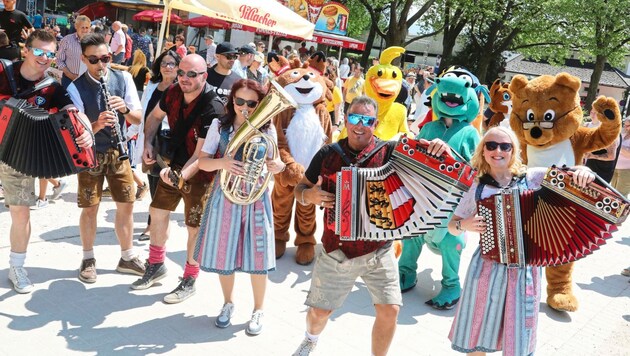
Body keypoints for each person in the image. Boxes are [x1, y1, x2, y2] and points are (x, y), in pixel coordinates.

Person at [291, 96, 448, 356]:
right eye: (354, 118)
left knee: (390, 309)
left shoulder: (389, 153)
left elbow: (430, 159)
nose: (360, 125)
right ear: (346, 119)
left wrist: (439, 146)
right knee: (319, 312)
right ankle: (310, 339)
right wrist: (309, 196)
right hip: (336, 248)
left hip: (380, 248)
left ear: (375, 124)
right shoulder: (328, 154)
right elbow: (300, 188)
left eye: (367, 120)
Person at [447, 126, 595, 355]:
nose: (498, 151)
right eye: (491, 145)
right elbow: (452, 226)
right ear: (483, 150)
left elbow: (569, 174)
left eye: (505, 146)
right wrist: (463, 225)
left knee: (519, 335)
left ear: (513, 151)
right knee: (477, 331)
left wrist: (583, 170)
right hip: (486, 267)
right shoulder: (476, 186)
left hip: (524, 270)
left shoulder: (531, 177)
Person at [0, 30, 93, 293]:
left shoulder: (53, 88)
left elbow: (74, 112)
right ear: (25, 50)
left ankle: (16, 267)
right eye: (39, 52)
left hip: (16, 156)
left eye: (50, 54)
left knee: (20, 212)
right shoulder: (3, 72)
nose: (44, 58)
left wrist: (85, 130)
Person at [194, 79, 285, 335]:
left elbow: (275, 162)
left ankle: (258, 309)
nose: (244, 107)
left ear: (260, 104)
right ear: (231, 101)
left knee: (258, 254)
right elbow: (203, 162)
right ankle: (228, 303)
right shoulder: (219, 126)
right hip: (226, 195)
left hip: (255, 198)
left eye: (252, 103)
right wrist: (222, 163)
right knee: (225, 252)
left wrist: (278, 166)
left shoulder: (267, 129)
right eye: (239, 101)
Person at [134, 54, 225, 304]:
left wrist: (180, 177)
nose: (184, 78)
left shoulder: (213, 108)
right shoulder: (173, 91)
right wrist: (148, 144)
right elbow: (153, 117)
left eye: (191, 74)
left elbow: (200, 154)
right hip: (174, 164)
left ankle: (190, 278)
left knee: (194, 226)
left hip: (202, 172)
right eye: (181, 72)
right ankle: (156, 264)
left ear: (204, 76)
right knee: (158, 211)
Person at [66, 33, 145, 283]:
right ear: (84, 59)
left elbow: (137, 118)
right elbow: (75, 130)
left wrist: (124, 109)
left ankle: (127, 256)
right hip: (90, 156)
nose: (101, 65)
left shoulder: (123, 78)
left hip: (118, 153)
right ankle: (88, 258)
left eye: (106, 58)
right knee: (90, 209)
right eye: (94, 60)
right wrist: (97, 124)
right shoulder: (74, 88)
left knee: (127, 205)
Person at [137, 49, 182, 240]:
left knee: (164, 185)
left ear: (179, 67)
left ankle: (155, 225)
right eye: (164, 63)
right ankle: (154, 223)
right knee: (153, 182)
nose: (167, 67)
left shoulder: (182, 87)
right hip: (151, 140)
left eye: (172, 63)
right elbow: (144, 111)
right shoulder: (153, 85)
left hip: (170, 143)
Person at [583, 108, 621, 183]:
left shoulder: (612, 133)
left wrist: (591, 156)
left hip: (601, 173)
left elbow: (611, 156)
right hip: (590, 168)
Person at [56, 15, 90, 88]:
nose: (84, 30)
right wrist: (70, 75)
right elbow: (59, 60)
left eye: (87, 27)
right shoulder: (67, 40)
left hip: (87, 82)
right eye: (82, 27)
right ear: (76, 26)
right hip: (68, 80)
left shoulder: (93, 42)